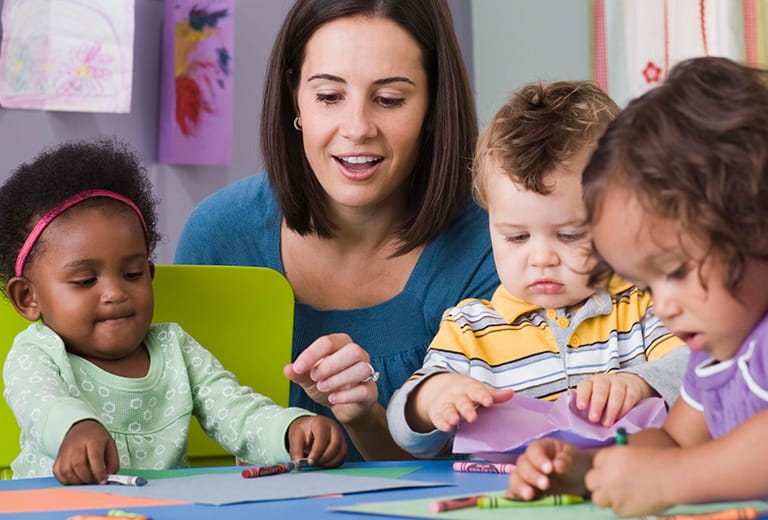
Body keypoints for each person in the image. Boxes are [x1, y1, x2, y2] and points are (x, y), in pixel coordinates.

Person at [174, 0, 498, 461]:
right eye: (329, 96)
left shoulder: (497, 245)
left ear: (433, 105)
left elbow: (486, 468)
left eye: (389, 100)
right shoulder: (219, 235)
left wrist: (364, 416)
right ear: (295, 97)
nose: (357, 128)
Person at [506, 57, 768, 517]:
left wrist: (669, 480)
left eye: (678, 271)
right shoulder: (715, 358)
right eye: (646, 284)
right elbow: (672, 441)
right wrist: (593, 469)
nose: (663, 305)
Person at [0, 140, 346, 484]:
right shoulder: (37, 354)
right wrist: (74, 429)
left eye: (132, 274)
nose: (115, 292)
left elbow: (236, 411)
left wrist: (289, 430)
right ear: (27, 297)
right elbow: (42, 404)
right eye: (85, 280)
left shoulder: (174, 348)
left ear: (149, 276)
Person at [386, 81, 688, 458]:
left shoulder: (641, 303)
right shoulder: (470, 330)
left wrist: (640, 382)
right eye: (516, 237)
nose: (541, 258)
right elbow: (403, 428)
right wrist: (433, 398)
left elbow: (700, 370)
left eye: (569, 234)